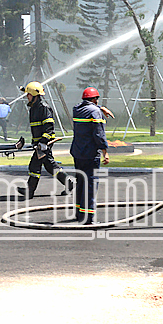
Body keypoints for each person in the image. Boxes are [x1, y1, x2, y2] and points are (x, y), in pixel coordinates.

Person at [16, 81, 73, 199]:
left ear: (35, 95)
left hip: (44, 144)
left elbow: (49, 129)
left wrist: (43, 143)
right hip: (39, 143)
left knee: (34, 165)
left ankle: (30, 191)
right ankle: (69, 183)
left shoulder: (44, 108)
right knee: (50, 166)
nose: (27, 96)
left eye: (29, 94)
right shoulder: (33, 108)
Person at [70, 87, 110, 225]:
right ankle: (89, 218)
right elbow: (99, 134)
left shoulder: (77, 109)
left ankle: (79, 214)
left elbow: (87, 107)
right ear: (94, 99)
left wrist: (99, 108)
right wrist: (105, 152)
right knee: (91, 185)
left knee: (80, 183)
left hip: (77, 153)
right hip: (90, 155)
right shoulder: (95, 112)